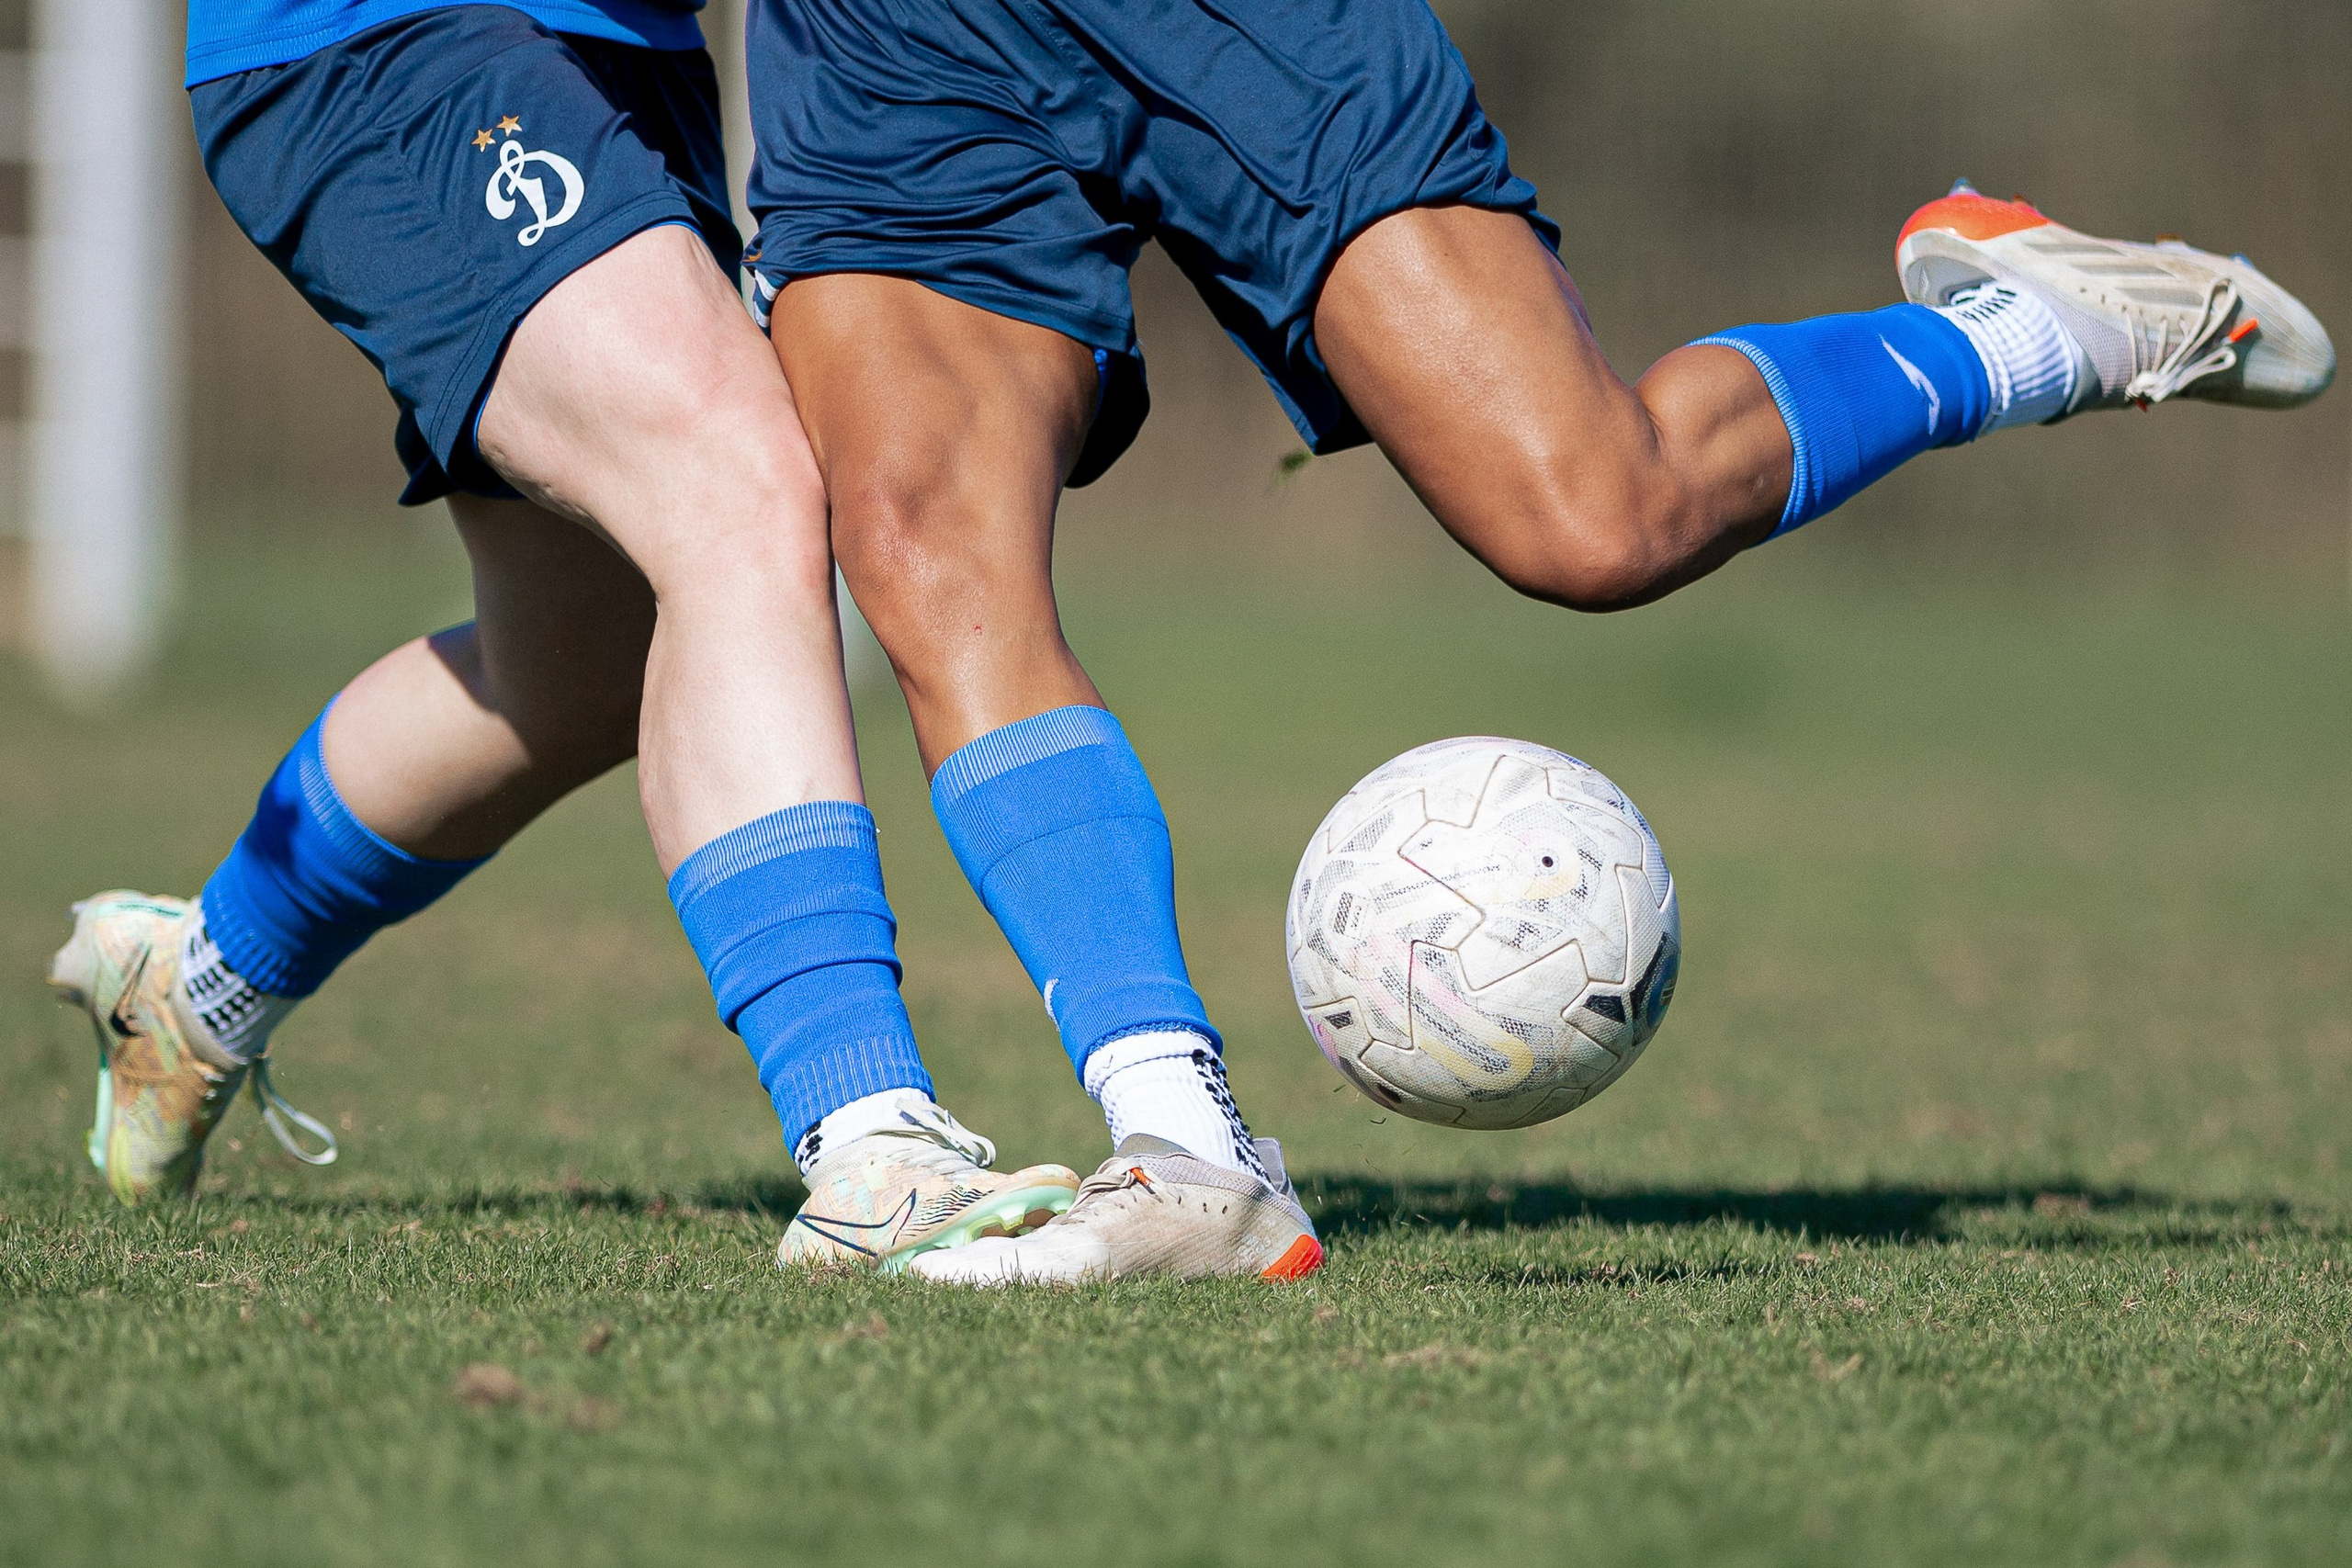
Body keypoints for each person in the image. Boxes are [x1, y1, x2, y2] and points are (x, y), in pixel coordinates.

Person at [734, 0, 2335, 1284]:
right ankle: (1189, 1153)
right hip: (886, 34)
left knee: (1590, 514)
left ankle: (2035, 325)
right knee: (924, 545)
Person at [48, 0, 1091, 1275]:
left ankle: (198, 984)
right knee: (734, 477)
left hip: (629, 53)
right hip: (391, 32)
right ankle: (868, 1139)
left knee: (588, 660)